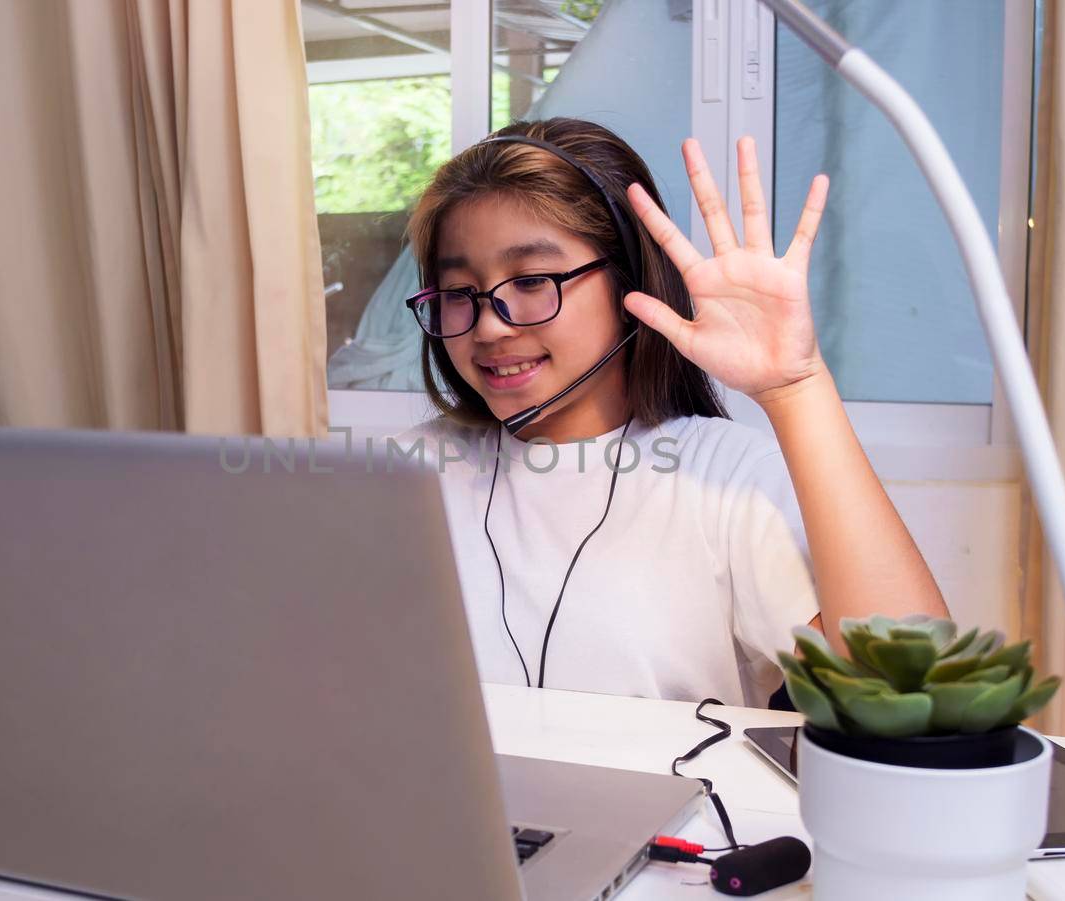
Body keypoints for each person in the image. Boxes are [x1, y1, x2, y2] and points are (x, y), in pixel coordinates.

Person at [399, 117, 949, 706]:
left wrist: (797, 390)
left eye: (532, 280)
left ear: (628, 281)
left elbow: (913, 696)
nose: (487, 324)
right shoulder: (406, 472)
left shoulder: (727, 478)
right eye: (459, 294)